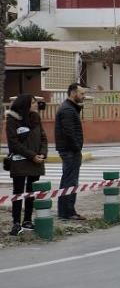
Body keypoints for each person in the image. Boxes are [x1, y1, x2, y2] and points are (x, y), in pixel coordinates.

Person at [5, 94, 48, 235]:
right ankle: (16, 222)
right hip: (19, 161)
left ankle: (27, 220)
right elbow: (14, 143)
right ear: (24, 105)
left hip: (36, 161)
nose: (36, 105)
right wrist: (32, 156)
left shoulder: (35, 118)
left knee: (31, 192)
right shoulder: (12, 119)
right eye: (33, 103)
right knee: (18, 193)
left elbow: (43, 137)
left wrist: (42, 153)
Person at [54, 83, 86, 220]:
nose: (83, 96)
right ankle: (68, 212)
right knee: (70, 181)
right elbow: (69, 132)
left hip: (70, 150)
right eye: (81, 93)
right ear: (73, 93)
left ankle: (65, 211)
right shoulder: (67, 110)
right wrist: (77, 147)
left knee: (67, 180)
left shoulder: (70, 108)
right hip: (69, 151)